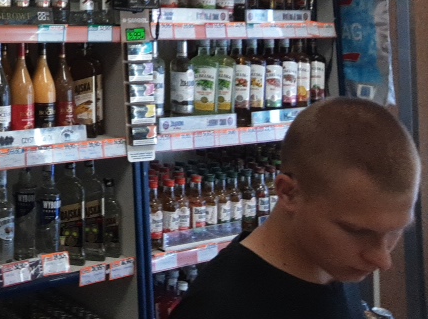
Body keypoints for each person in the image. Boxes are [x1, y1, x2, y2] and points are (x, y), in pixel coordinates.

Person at [171, 97, 420, 319]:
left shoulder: (332, 266)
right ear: (289, 193)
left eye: (395, 231)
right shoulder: (218, 308)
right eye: (356, 231)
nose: (382, 260)